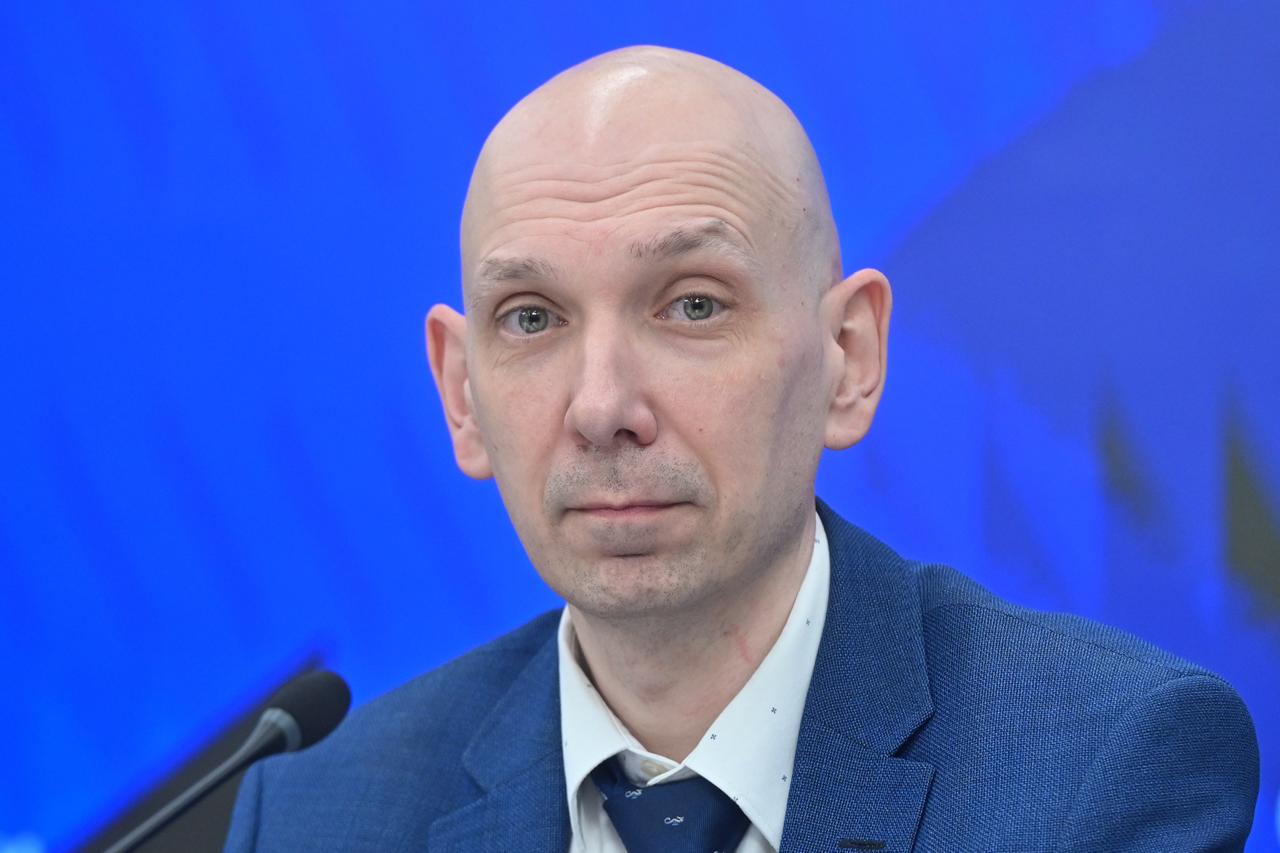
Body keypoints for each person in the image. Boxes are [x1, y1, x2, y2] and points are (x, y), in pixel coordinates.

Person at [224, 46, 1259, 852]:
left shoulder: (1099, 769)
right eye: (532, 318)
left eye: (691, 304)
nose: (601, 406)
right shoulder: (318, 812)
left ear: (848, 359)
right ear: (461, 393)